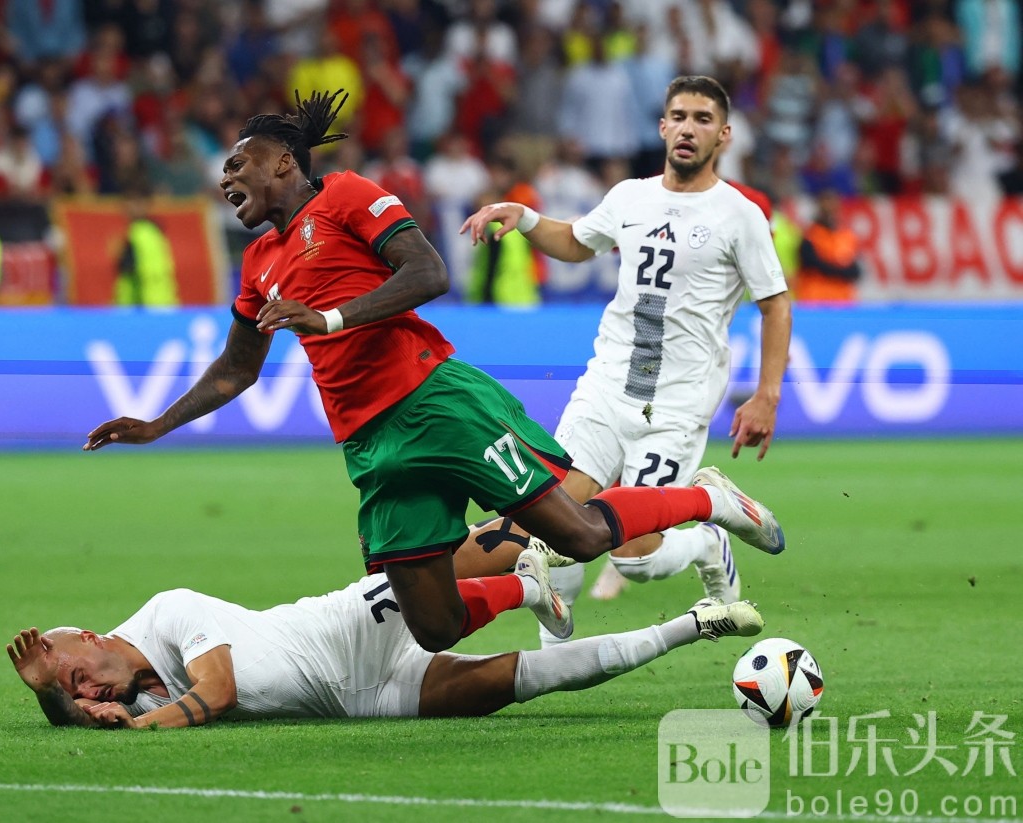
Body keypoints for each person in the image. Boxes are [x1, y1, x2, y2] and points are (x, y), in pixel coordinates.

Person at [83, 89, 784, 656]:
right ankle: (528, 589)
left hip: (436, 402)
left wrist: (330, 319)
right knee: (434, 626)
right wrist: (156, 424)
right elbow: (237, 370)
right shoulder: (258, 263)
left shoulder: (345, 196)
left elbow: (428, 271)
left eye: (239, 164)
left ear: (283, 163)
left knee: (580, 536)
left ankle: (707, 501)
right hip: (370, 445)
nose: (225, 177)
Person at [459, 76, 792, 645]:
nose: (688, 128)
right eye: (679, 116)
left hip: (677, 404)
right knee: (553, 515)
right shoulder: (630, 197)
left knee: (634, 557)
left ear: (724, 135)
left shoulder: (739, 215)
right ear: (662, 127)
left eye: (703, 119)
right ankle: (554, 660)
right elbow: (577, 242)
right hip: (607, 386)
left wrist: (767, 395)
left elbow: (775, 305)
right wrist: (526, 217)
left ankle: (709, 535)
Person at [5, 564, 765, 727]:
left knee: (451, 569)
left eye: (77, 676)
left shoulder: (169, 612)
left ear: (97, 640)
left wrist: (138, 727)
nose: (88, 694)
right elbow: (86, 719)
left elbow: (220, 692)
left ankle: (532, 574)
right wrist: (52, 694)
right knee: (537, 678)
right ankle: (697, 623)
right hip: (365, 699)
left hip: (347, 628)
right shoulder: (132, 692)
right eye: (76, 694)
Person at [792, 188, 862, 304]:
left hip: (843, 301)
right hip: (816, 300)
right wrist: (842, 270)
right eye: (826, 207)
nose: (830, 211)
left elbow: (856, 270)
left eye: (833, 207)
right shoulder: (810, 235)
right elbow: (811, 263)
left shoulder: (847, 236)